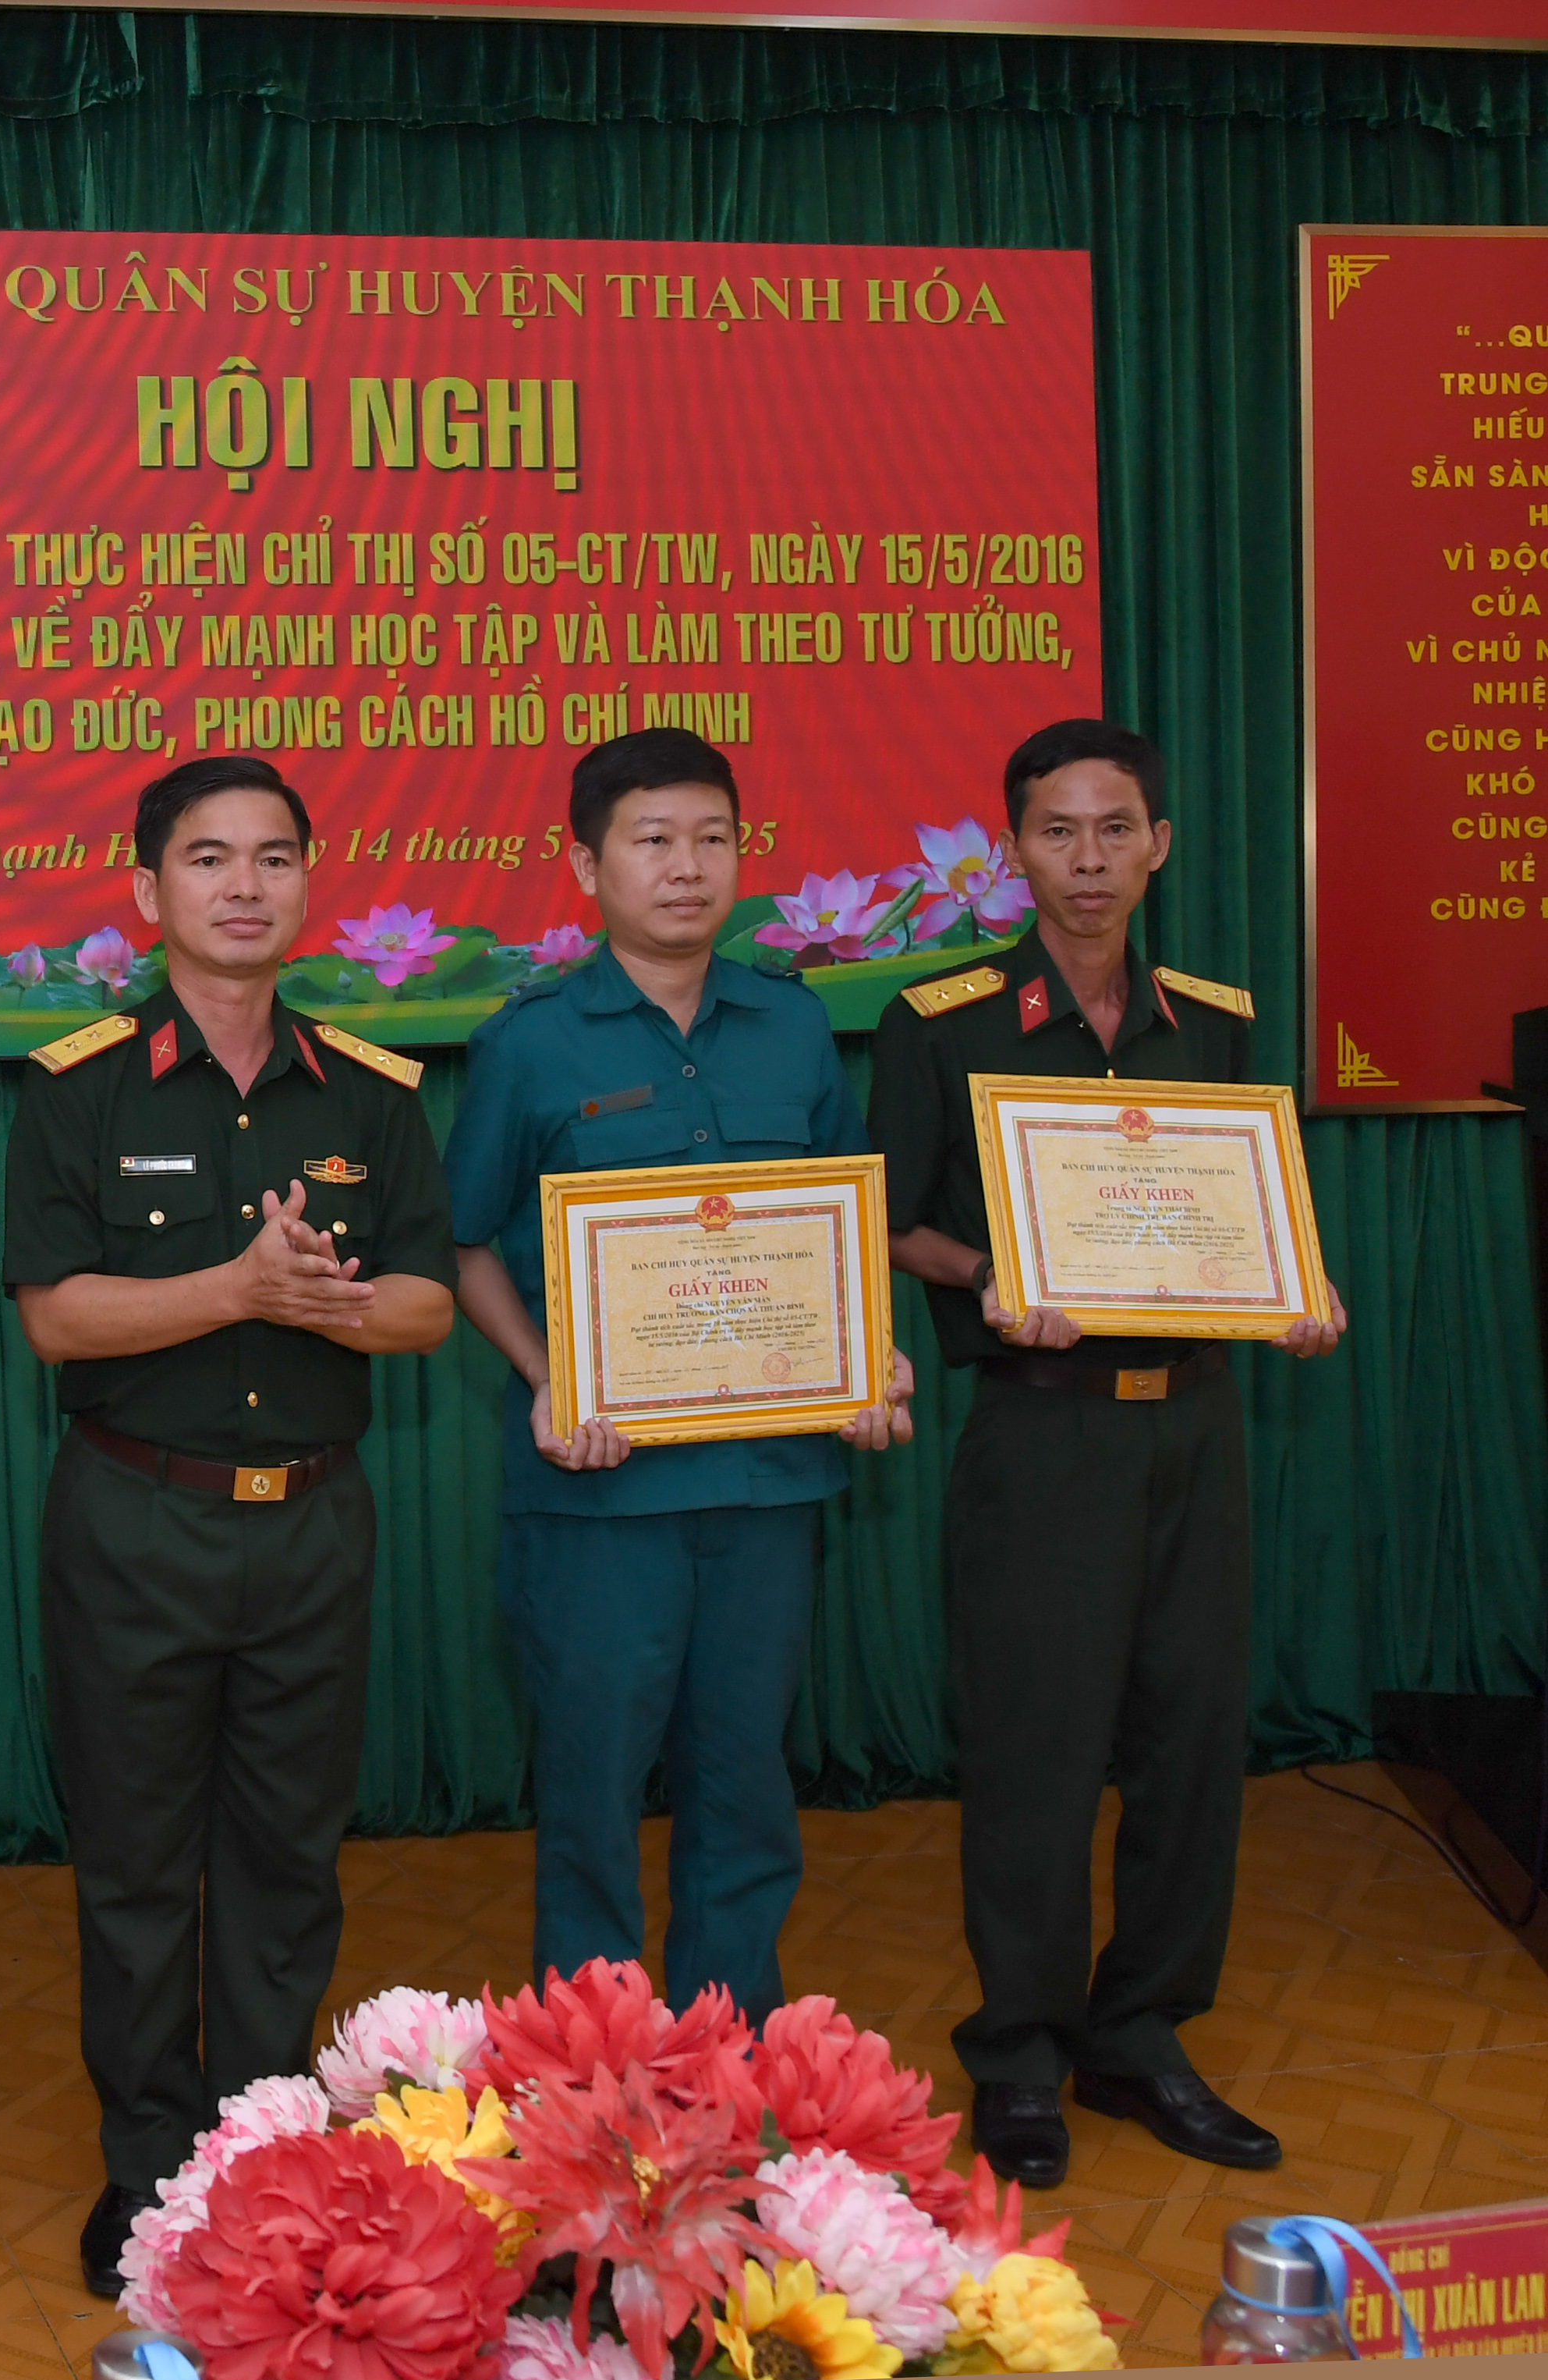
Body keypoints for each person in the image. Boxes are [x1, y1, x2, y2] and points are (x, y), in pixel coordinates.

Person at [0, 754, 458, 2300]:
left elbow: (426, 1302)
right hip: (136, 1518)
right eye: (207, 857)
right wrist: (240, 1288)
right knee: (136, 1868)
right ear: (148, 890)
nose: (243, 883)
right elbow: (56, 1317)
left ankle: (259, 2153)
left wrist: (330, 1302)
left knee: (284, 1862)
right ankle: (148, 2171)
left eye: (272, 856)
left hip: (313, 1525)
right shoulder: (78, 1085)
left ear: (308, 884)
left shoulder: (373, 1092)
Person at [871, 716, 1344, 2188]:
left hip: (1194, 1425)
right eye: (1057, 831)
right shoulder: (941, 1018)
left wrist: (1298, 1287)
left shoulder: (1213, 1020)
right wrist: (985, 1277)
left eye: (1115, 829)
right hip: (1042, 1430)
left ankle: (1139, 2032)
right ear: (1014, 848)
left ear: (1160, 844)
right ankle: (1018, 2051)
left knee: (1191, 1744)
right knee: (1036, 1749)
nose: (1088, 859)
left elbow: (1250, 1212)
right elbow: (890, 1219)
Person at [443, 727, 916, 2034]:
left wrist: (865, 1354)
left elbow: (841, 1221)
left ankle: (735, 2058)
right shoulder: (531, 1042)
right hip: (599, 1499)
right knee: (592, 1797)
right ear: (584, 864)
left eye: (712, 838)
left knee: (744, 1792)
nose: (686, 866)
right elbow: (462, 1241)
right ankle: (585, 2074)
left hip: (767, 1487)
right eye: (651, 840)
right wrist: (546, 1374)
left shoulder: (794, 1024)